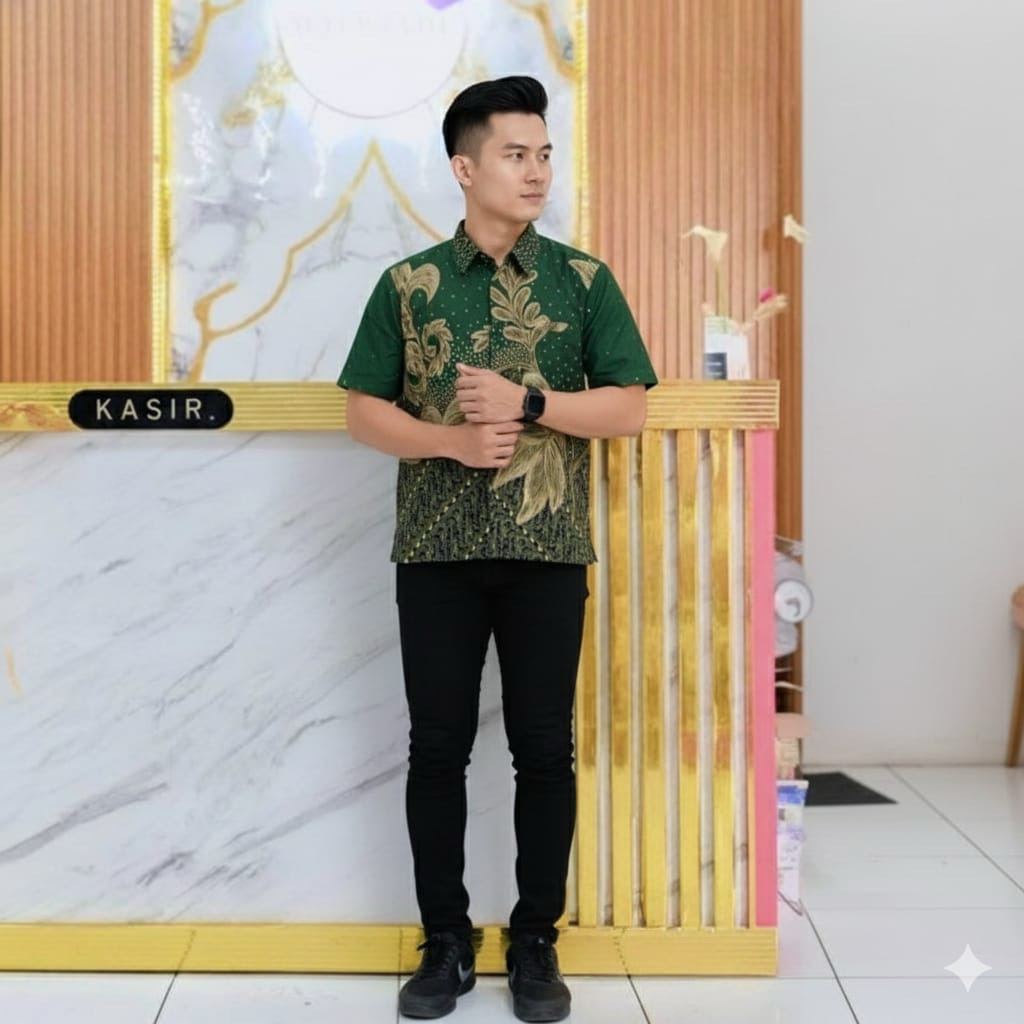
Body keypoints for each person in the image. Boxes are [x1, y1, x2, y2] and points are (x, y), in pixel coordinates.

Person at [337, 75, 657, 1022]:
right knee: (435, 751)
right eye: (516, 154)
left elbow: (629, 408)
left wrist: (531, 403)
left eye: (544, 153)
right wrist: (449, 441)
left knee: (544, 752)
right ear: (464, 168)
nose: (537, 171)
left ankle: (535, 942)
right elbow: (361, 412)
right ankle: (445, 942)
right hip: (435, 553)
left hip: (547, 553)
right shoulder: (408, 286)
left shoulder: (584, 281)